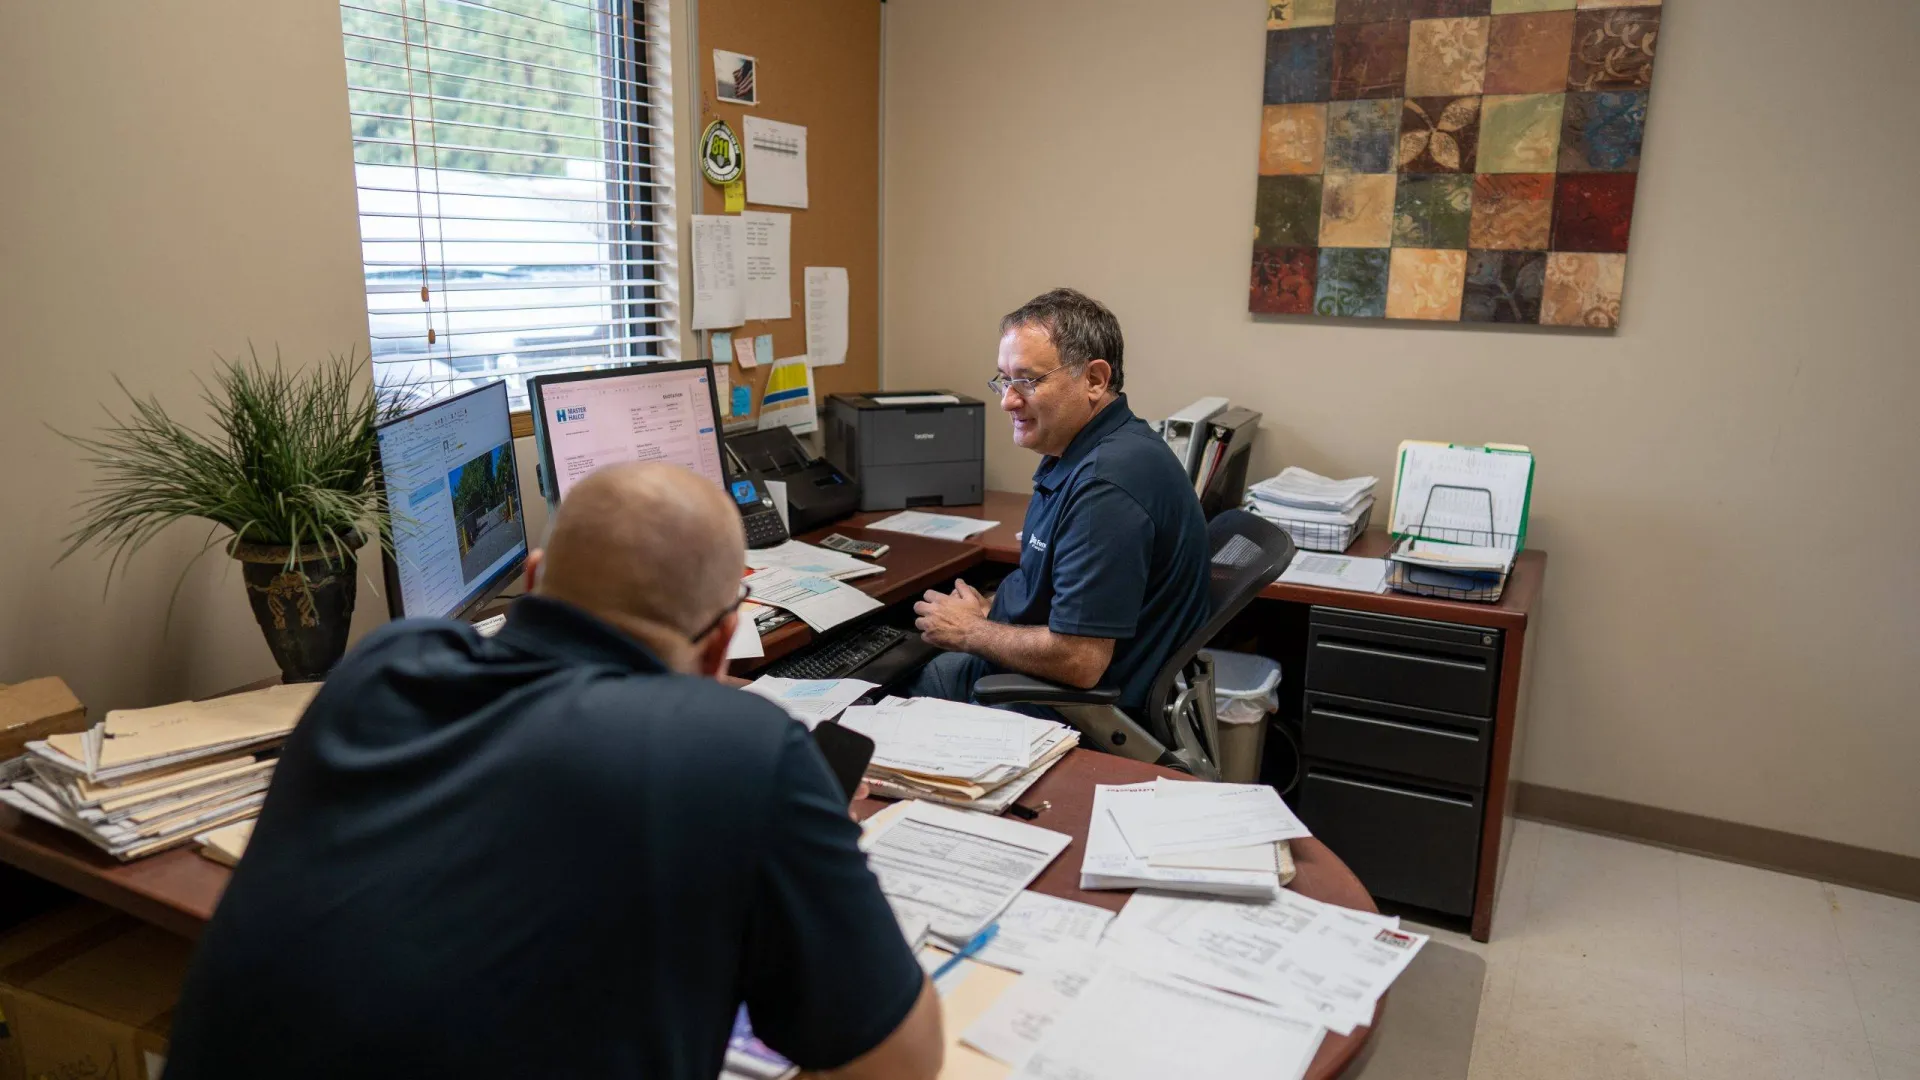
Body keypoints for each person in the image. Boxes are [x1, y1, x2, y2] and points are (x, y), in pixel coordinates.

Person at [165, 463, 942, 1080]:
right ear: (720, 647)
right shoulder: (744, 749)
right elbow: (902, 1065)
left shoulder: (380, 668)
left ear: (533, 580)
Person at [910, 288, 1210, 716]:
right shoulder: (1091, 450)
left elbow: (1081, 659)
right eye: (1003, 379)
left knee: (893, 689)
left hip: (1070, 709)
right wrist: (991, 609)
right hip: (1048, 677)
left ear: (1094, 380)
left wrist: (972, 631)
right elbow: (1062, 593)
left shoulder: (1105, 486)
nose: (1007, 400)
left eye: (1027, 380)